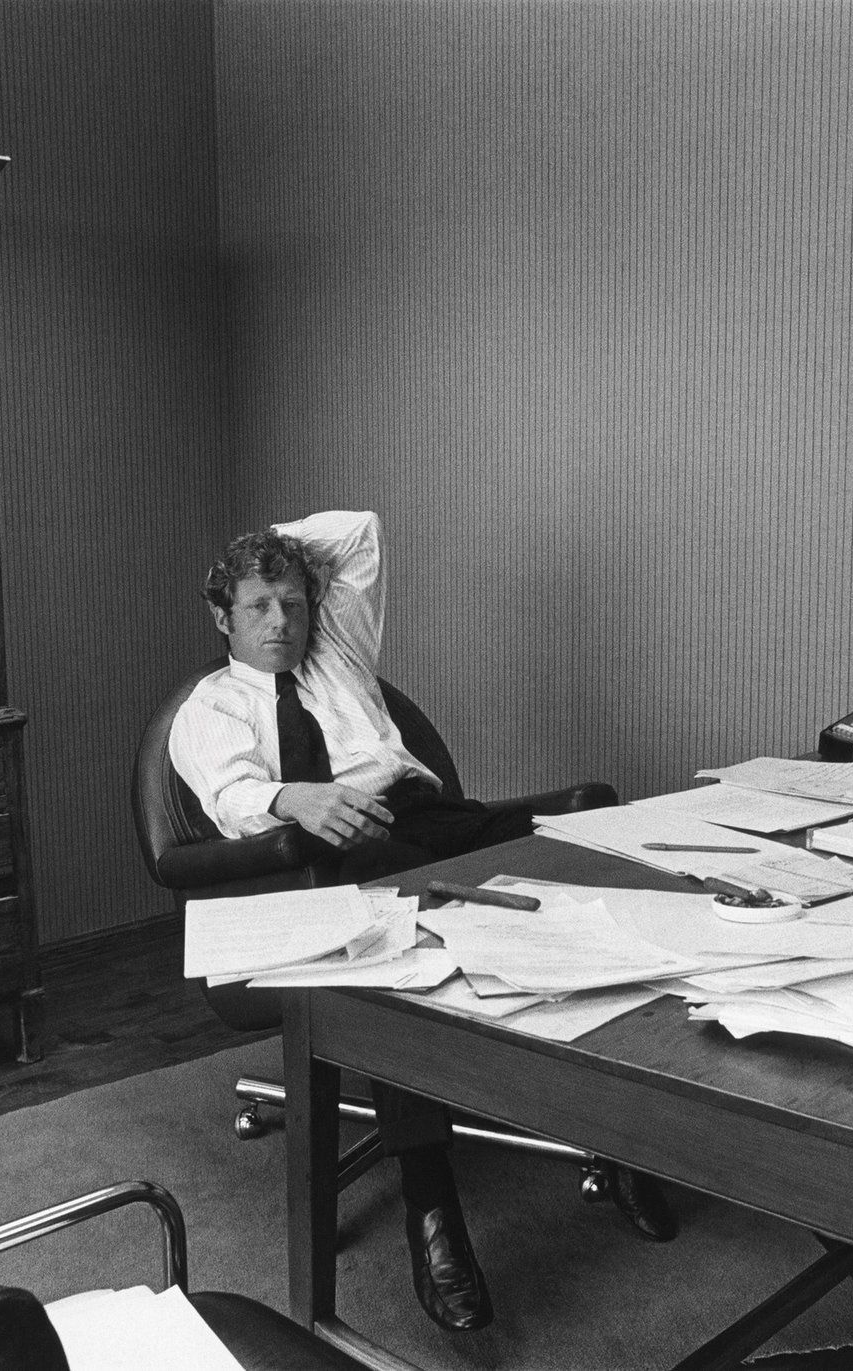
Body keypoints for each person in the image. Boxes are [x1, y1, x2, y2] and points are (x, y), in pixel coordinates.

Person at [169, 509, 676, 1333]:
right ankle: (431, 1204)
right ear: (222, 616)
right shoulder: (211, 706)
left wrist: (276, 551)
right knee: (395, 944)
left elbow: (358, 532)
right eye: (258, 605)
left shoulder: (337, 650)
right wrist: (296, 798)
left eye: (293, 602)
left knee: (589, 835)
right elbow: (231, 799)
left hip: (431, 822)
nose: (282, 622)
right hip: (323, 860)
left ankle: (618, 1137)